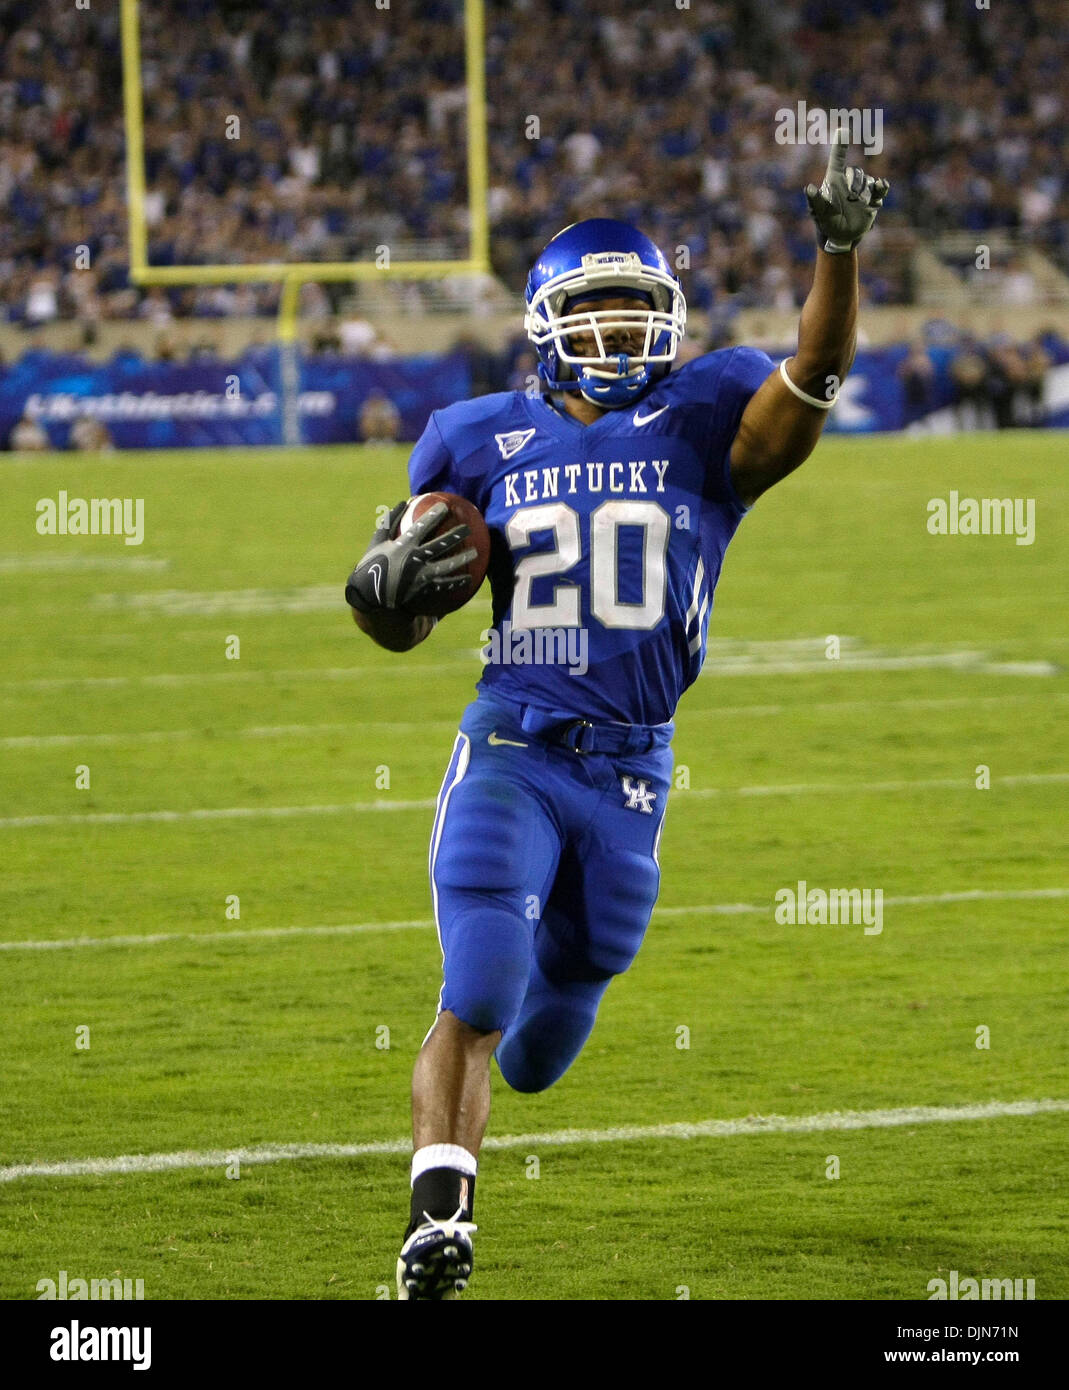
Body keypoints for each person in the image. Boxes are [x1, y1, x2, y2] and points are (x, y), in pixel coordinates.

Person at [344, 131, 888, 1300]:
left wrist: (834, 257)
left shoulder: (707, 411)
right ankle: (439, 1224)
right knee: (481, 981)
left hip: (633, 770)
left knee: (558, 1018)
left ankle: (524, 1046)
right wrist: (382, 600)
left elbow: (811, 386)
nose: (614, 331)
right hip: (513, 743)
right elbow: (406, 610)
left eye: (635, 307)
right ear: (545, 322)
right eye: (591, 310)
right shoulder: (474, 435)